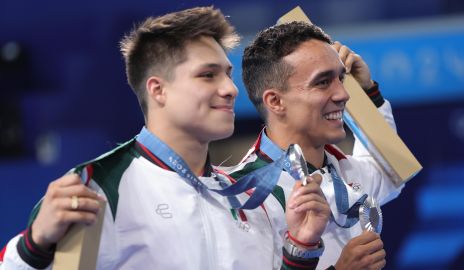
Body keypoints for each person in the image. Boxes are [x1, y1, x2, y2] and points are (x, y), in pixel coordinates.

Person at [0, 7, 331, 270]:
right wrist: (35, 245)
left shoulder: (250, 198)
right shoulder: (95, 187)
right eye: (207, 75)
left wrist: (299, 252)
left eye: (228, 75)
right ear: (158, 89)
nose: (230, 90)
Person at [225, 21, 405, 269]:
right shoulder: (243, 196)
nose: (343, 94)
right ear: (275, 101)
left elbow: (391, 171)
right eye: (323, 82)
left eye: (341, 79)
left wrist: (368, 92)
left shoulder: (345, 170)